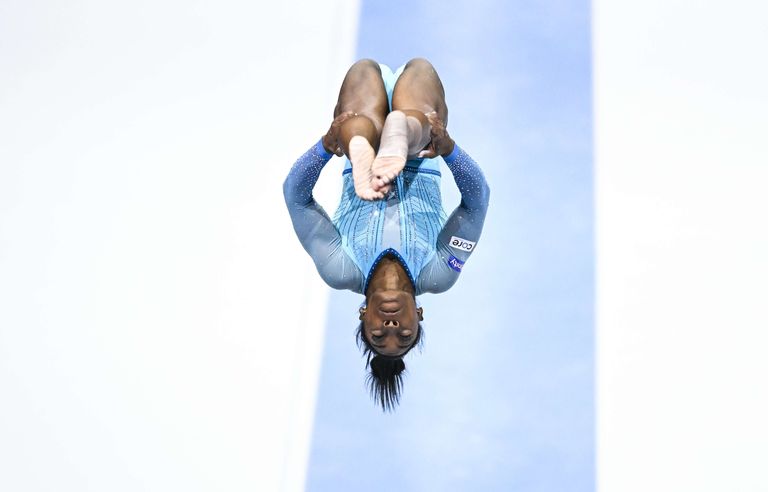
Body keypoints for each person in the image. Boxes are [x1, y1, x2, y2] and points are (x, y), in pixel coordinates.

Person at [283, 58, 490, 411]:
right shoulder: (437, 273)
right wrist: (449, 149)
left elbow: (296, 198)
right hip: (423, 150)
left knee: (360, 99)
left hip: (356, 142)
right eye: (404, 334)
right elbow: (477, 202)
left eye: (379, 335)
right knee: (419, 96)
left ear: (363, 314)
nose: (391, 325)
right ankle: (398, 137)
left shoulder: (342, 268)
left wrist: (325, 146)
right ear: (419, 315)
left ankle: (363, 148)